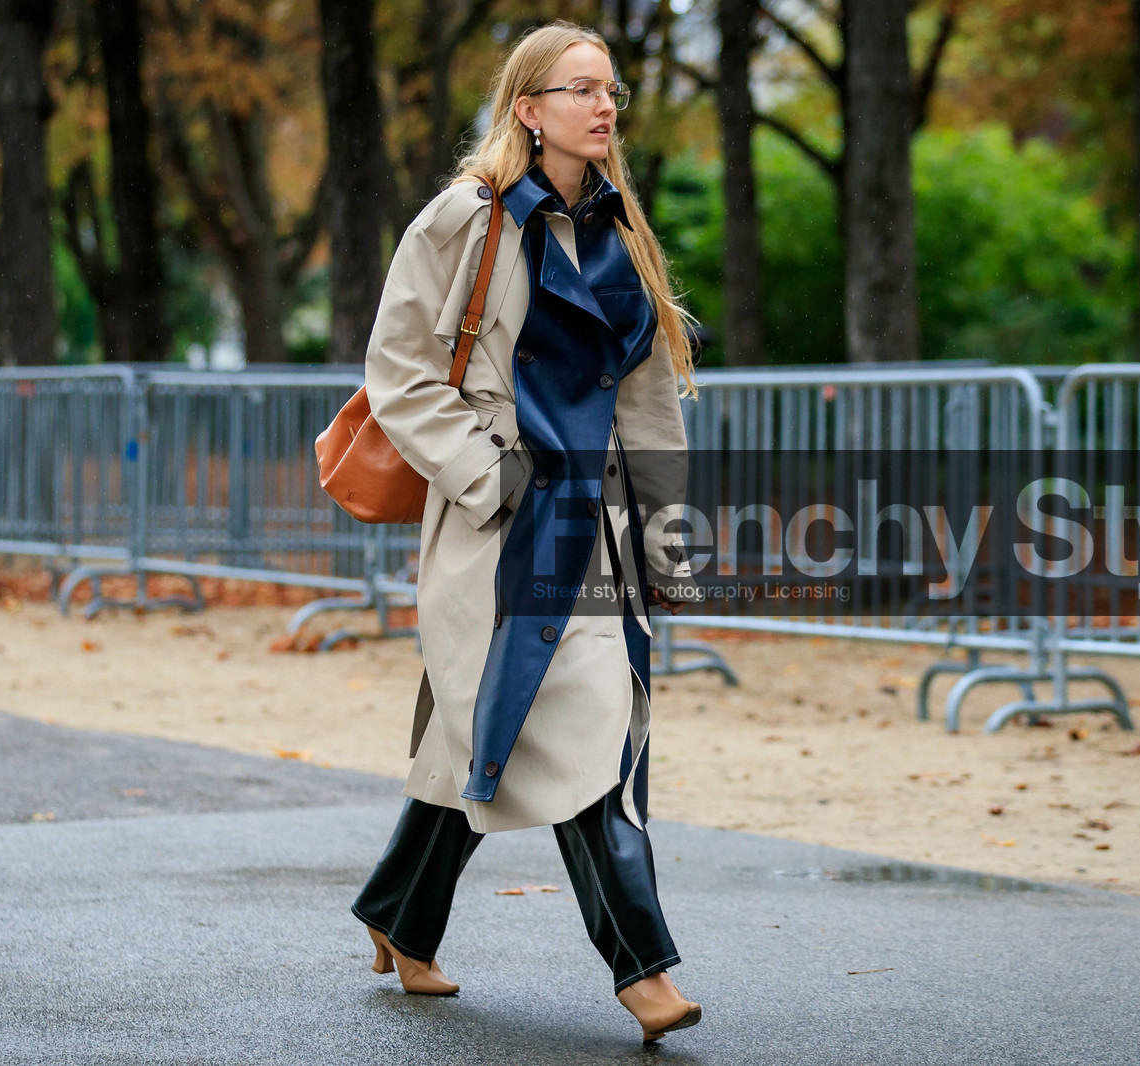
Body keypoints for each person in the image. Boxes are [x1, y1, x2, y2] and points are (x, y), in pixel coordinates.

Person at [349, 20, 703, 1043]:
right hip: (494, 525)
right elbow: (400, 373)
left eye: (612, 91)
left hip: (591, 532)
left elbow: (645, 408)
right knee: (570, 731)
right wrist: (488, 476)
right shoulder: (465, 221)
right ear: (527, 108)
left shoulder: (623, 232)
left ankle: (397, 912)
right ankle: (643, 971)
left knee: (518, 724)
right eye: (580, 89)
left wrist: (664, 536)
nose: (603, 106)